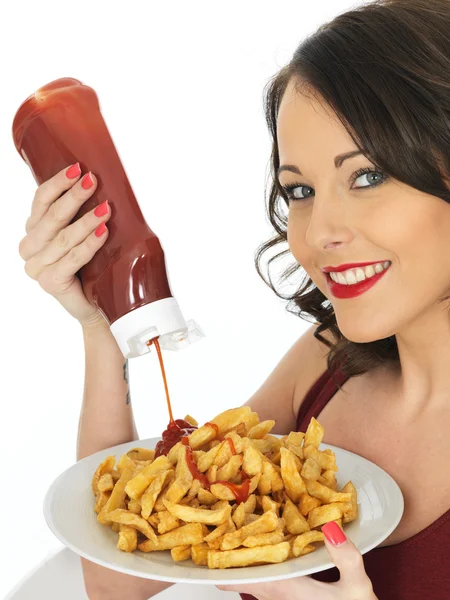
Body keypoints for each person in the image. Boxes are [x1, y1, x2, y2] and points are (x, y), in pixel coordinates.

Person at [18, 0, 450, 598]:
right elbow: (117, 581)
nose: (319, 232)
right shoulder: (328, 361)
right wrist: (101, 327)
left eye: (367, 176)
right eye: (299, 189)